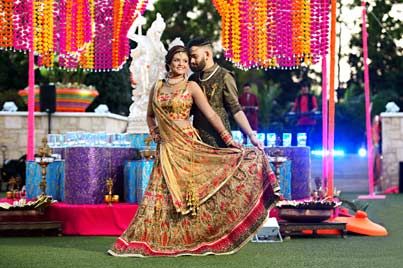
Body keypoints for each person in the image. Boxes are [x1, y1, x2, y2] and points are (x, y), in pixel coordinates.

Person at [108, 45, 279, 257]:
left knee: (192, 193)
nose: (181, 64)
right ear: (169, 63)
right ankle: (164, 238)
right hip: (167, 147)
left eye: (185, 61)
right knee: (164, 194)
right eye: (177, 60)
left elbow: (212, 115)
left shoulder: (191, 87)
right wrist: (154, 132)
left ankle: (199, 236)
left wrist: (229, 139)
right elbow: (150, 115)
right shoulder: (157, 86)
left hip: (188, 145)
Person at [187, 37, 263, 150]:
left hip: (221, 141)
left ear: (207, 54)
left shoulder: (225, 76)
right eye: (190, 58)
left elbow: (236, 109)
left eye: (194, 56)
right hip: (198, 142)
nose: (191, 61)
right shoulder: (193, 79)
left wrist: (251, 135)